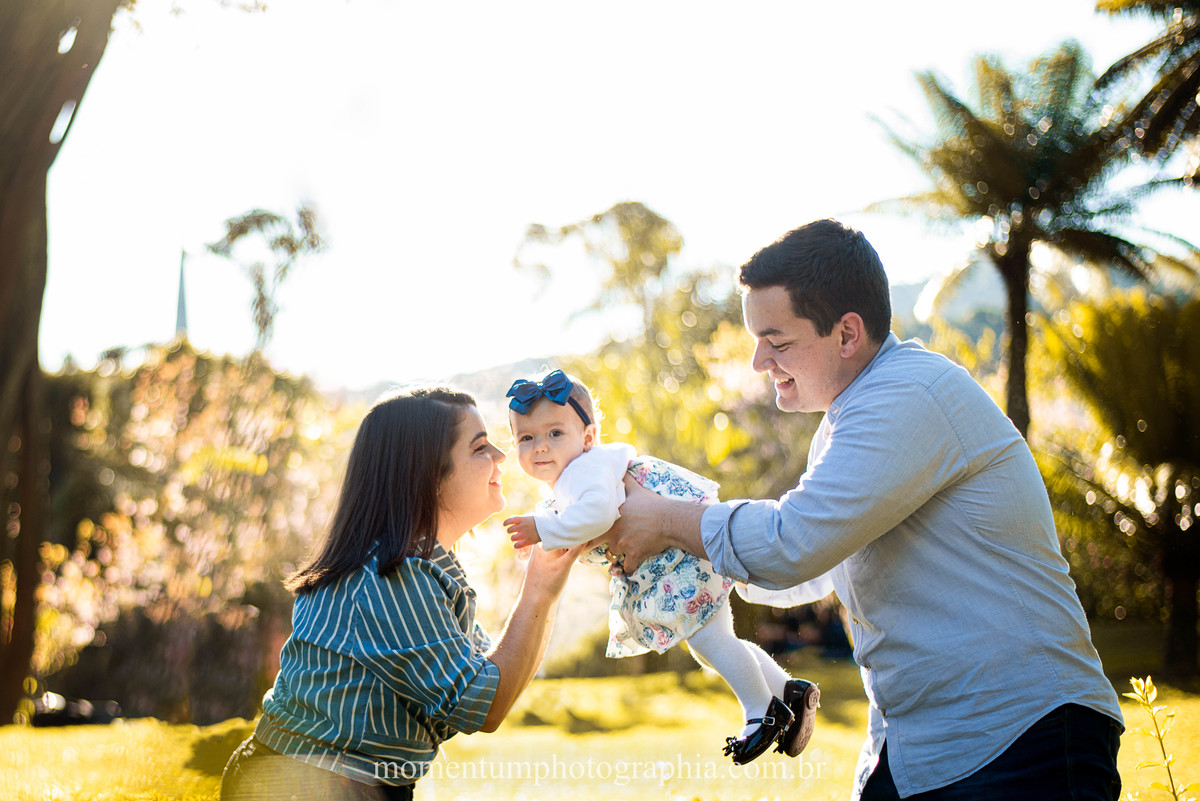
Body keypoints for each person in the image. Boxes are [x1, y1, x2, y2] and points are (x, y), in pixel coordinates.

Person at [601, 219, 1124, 800]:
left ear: (847, 334)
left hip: (1023, 742)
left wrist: (668, 519)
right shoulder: (848, 419)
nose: (757, 362)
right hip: (921, 747)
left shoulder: (907, 397)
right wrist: (673, 554)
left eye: (775, 341)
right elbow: (812, 567)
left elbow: (792, 544)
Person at [221, 388, 583, 800]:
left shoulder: (421, 569)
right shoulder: (390, 576)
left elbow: (494, 673)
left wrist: (545, 587)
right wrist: (538, 591)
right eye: (481, 447)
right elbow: (486, 705)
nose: (502, 455)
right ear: (428, 474)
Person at [501, 369, 819, 765]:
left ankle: (762, 712)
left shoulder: (587, 469)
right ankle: (786, 690)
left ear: (587, 438)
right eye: (526, 438)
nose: (540, 447)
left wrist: (542, 528)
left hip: (679, 556)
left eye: (554, 434)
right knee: (711, 643)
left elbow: (599, 514)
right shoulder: (577, 475)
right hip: (679, 555)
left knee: (708, 640)